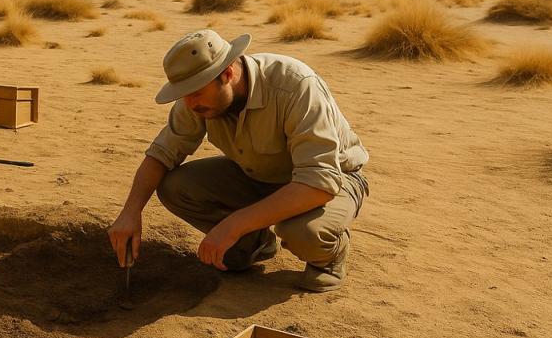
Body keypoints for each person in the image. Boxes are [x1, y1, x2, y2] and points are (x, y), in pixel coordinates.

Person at [108, 29, 369, 293]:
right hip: (258, 175)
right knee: (175, 187)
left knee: (304, 233)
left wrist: (234, 225)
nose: (189, 103)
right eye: (182, 94)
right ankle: (253, 244)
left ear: (228, 74)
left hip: (333, 180)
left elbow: (318, 182)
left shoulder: (295, 85)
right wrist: (131, 212)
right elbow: (162, 154)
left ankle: (329, 258)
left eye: (195, 92)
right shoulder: (197, 99)